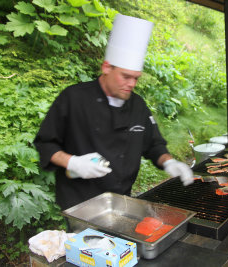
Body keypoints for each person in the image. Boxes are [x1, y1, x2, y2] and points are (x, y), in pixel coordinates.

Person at [33, 14, 194, 211]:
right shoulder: (73, 98)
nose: (132, 84)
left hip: (120, 201)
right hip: (79, 204)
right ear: (107, 67)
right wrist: (73, 162)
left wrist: (169, 163)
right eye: (126, 76)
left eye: (136, 78)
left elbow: (154, 145)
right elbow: (45, 143)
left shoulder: (138, 105)